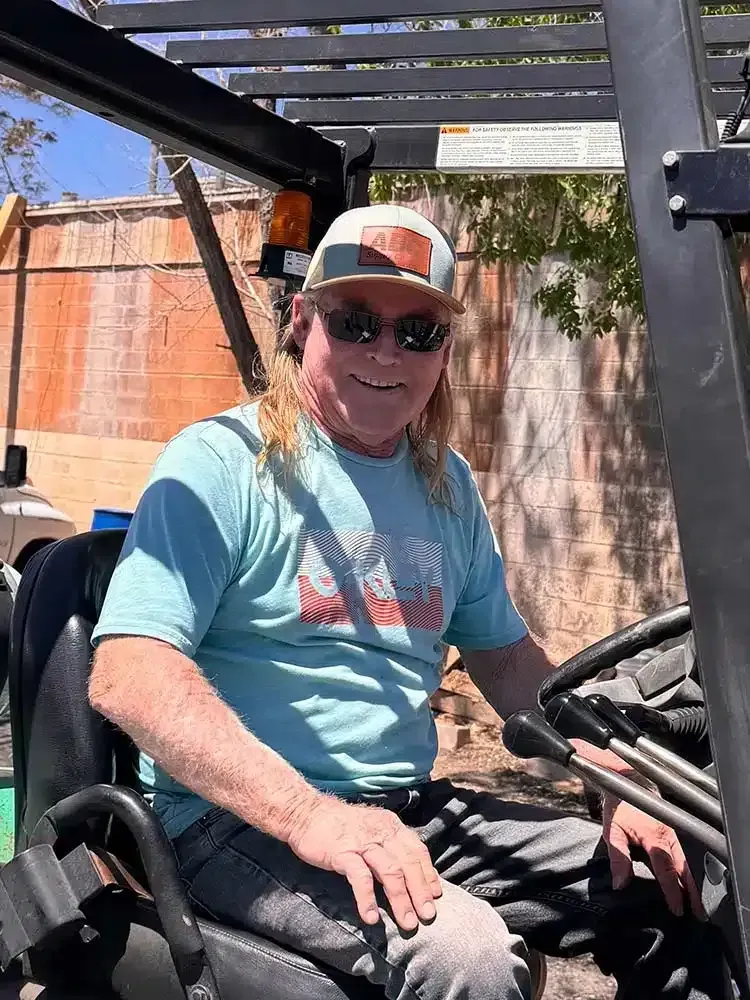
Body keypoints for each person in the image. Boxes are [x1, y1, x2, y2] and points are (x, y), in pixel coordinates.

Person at [89, 204, 725, 1000]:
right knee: (469, 957)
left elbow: (506, 659)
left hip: (403, 808)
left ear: (445, 349)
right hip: (236, 822)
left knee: (682, 877)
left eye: (417, 331)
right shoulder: (224, 464)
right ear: (301, 323)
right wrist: (312, 818)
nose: (385, 352)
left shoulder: (446, 485)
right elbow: (130, 674)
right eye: (356, 322)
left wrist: (616, 778)